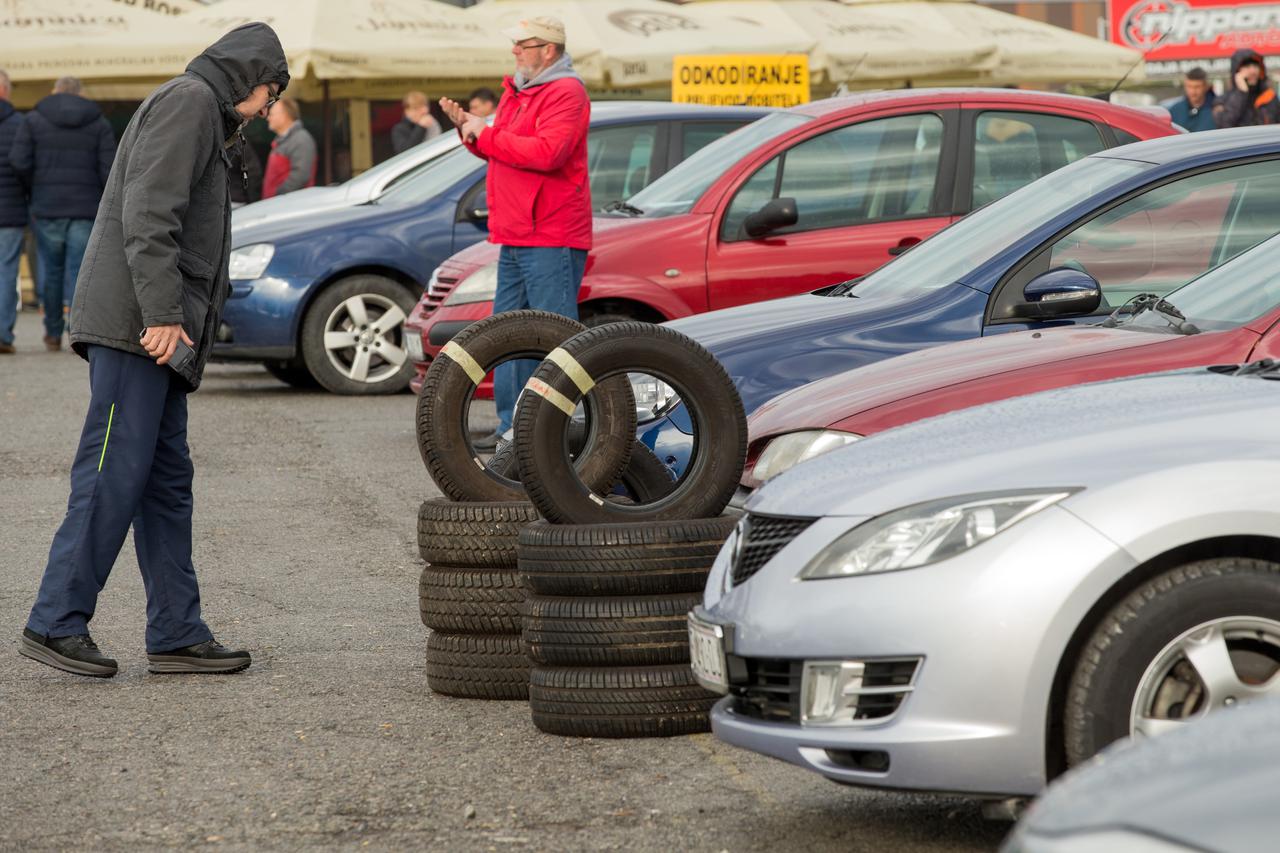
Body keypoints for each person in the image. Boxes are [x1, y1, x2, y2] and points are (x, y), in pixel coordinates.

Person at [18, 23, 290, 679]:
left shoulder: (201, 107)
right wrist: (164, 313)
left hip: (158, 330)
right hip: (140, 327)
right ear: (254, 77)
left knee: (166, 483)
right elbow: (148, 211)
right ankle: (55, 619)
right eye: (271, 92)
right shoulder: (191, 101)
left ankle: (176, 630)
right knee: (112, 471)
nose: (268, 107)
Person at [439, 16, 591, 450]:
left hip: (550, 231)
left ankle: (556, 431)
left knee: (552, 334)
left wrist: (483, 133)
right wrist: (469, 128)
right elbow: (503, 147)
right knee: (507, 332)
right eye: (516, 46)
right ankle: (513, 428)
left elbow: (547, 153)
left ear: (549, 50)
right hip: (518, 231)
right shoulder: (521, 91)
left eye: (524, 45)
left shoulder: (566, 92)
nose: (516, 52)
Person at [9, 76, 115, 351]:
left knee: (52, 271)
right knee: (80, 271)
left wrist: (34, 187)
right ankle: (76, 331)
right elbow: (109, 169)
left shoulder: (33, 121)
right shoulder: (98, 123)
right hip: (85, 208)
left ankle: (52, 332)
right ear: (80, 93)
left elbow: (19, 161)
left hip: (46, 207)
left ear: (55, 92)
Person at [0, 68, 25, 355]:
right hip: (9, 210)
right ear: (5, 90)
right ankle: (3, 333)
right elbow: (23, 164)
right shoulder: (20, 123)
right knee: (6, 272)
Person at [262, 96, 316, 198]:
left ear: (284, 116)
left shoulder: (301, 139)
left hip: (290, 207)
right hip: (278, 205)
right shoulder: (283, 140)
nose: (268, 118)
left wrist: (278, 195)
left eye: (272, 114)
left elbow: (301, 176)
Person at [1215, 49, 1280, 128]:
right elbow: (1224, 125)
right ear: (1236, 71)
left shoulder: (1270, 97)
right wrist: (1241, 93)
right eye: (1247, 66)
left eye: (1256, 66)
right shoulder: (1223, 100)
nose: (1253, 71)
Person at [1168, 67, 1217, 132]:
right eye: (1189, 86)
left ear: (1206, 86)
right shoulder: (1175, 111)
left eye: (1197, 87)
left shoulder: (1218, 109)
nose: (1192, 91)